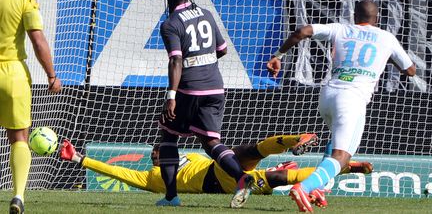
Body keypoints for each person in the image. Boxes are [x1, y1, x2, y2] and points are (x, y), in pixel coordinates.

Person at [267, 0, 416, 212]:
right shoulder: (386, 38)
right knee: (342, 156)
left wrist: (278, 56)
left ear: (355, 17)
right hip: (352, 99)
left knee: (335, 146)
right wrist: (385, 57)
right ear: (378, 19)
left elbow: (303, 31)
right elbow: (410, 70)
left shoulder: (341, 29)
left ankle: (316, 187)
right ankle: (305, 186)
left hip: (328, 95)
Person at [157, 0, 254, 208]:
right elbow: (222, 50)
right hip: (215, 87)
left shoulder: (171, 23)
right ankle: (242, 177)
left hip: (189, 89)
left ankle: (171, 197)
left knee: (168, 136)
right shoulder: (207, 14)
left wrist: (171, 96)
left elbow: (176, 61)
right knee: (211, 142)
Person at [60, 133, 373, 201]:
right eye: (159, 153)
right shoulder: (154, 178)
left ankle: (341, 167)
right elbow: (117, 171)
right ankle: (296, 143)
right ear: (156, 159)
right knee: (243, 153)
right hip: (217, 178)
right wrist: (79, 159)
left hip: (227, 174)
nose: (162, 154)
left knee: (275, 176)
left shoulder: (189, 157)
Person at [0, 0, 62, 213]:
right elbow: (38, 41)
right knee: (19, 138)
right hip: (13, 73)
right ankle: (18, 196)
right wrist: (51, 75)